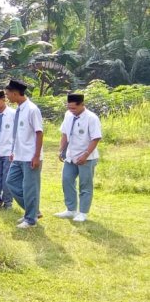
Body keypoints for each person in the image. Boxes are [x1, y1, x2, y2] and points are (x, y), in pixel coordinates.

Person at [54, 93, 102, 223]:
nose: (71, 110)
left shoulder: (91, 118)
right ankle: (71, 210)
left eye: (74, 108)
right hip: (71, 155)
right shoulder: (68, 115)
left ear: (82, 105)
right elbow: (64, 134)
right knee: (67, 180)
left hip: (87, 157)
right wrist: (61, 150)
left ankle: (83, 212)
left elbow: (95, 138)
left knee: (85, 184)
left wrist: (85, 155)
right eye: (69, 107)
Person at [4, 79, 44, 229]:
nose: (7, 97)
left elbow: (39, 133)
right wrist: (13, 150)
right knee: (11, 182)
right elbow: (18, 133)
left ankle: (31, 220)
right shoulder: (19, 110)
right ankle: (33, 211)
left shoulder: (32, 110)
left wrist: (36, 156)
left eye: (8, 94)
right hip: (18, 155)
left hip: (30, 157)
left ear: (15, 93)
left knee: (30, 188)